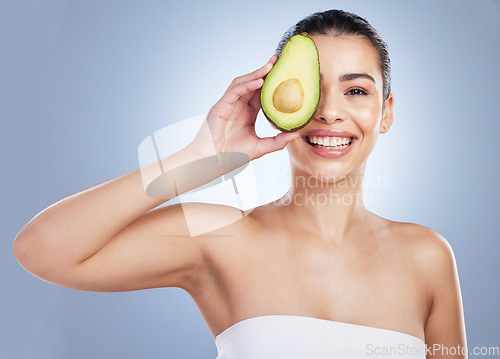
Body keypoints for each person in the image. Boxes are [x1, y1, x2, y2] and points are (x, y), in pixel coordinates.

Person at [12, 9, 467, 359]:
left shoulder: (427, 256)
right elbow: (42, 250)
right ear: (273, 101)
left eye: (356, 90)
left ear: (385, 112)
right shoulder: (221, 238)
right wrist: (198, 160)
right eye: (312, 90)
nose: (331, 112)